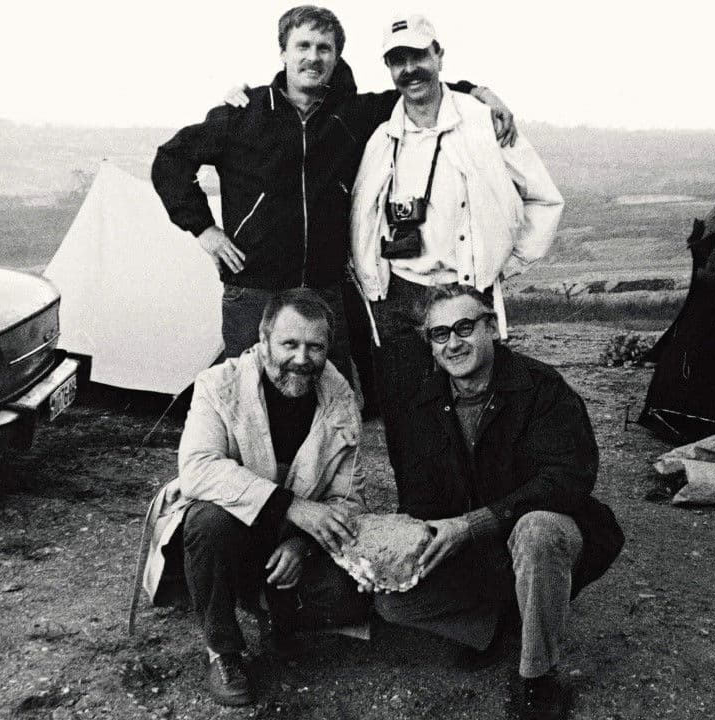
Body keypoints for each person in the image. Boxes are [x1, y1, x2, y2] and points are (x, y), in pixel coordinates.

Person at [151, 5, 516, 383]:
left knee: (332, 395)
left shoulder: (352, 114)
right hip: (253, 288)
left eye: (324, 48)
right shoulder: (244, 114)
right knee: (248, 391)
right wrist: (205, 230)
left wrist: (480, 93)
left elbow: (419, 91)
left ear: (336, 57)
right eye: (303, 46)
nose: (313, 57)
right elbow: (170, 161)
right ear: (283, 52)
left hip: (325, 289)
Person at [370, 284, 622, 720]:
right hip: (474, 552)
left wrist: (477, 523)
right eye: (440, 334)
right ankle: (505, 622)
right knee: (392, 601)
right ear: (430, 344)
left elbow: (568, 477)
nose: (453, 343)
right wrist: (399, 550)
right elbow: (418, 500)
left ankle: (537, 676)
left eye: (465, 328)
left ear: (492, 327)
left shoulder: (542, 388)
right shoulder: (420, 406)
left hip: (542, 534)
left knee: (537, 532)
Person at [349, 14, 564, 481]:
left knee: (475, 406)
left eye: (418, 56)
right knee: (407, 413)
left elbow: (544, 197)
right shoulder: (381, 135)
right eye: (398, 60)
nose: (410, 69)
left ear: (439, 55)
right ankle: (418, 506)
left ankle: (480, 504)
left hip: (463, 290)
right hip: (398, 295)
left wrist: (504, 264)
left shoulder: (482, 122)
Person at [140, 288, 369, 707]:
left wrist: (302, 544)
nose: (302, 358)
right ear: (264, 341)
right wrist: (292, 507)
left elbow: (349, 500)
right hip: (230, 529)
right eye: (289, 344)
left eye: (315, 347)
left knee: (352, 595)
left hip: (288, 538)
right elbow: (198, 469)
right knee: (208, 522)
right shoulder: (218, 384)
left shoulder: (341, 399)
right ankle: (222, 650)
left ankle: (268, 605)